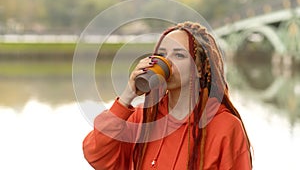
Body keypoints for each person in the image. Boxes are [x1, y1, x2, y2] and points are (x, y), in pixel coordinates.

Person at [83, 21, 252, 170]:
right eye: (162, 55)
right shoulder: (143, 118)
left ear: (199, 69)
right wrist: (127, 96)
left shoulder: (225, 126)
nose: (167, 62)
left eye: (179, 55)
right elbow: (96, 155)